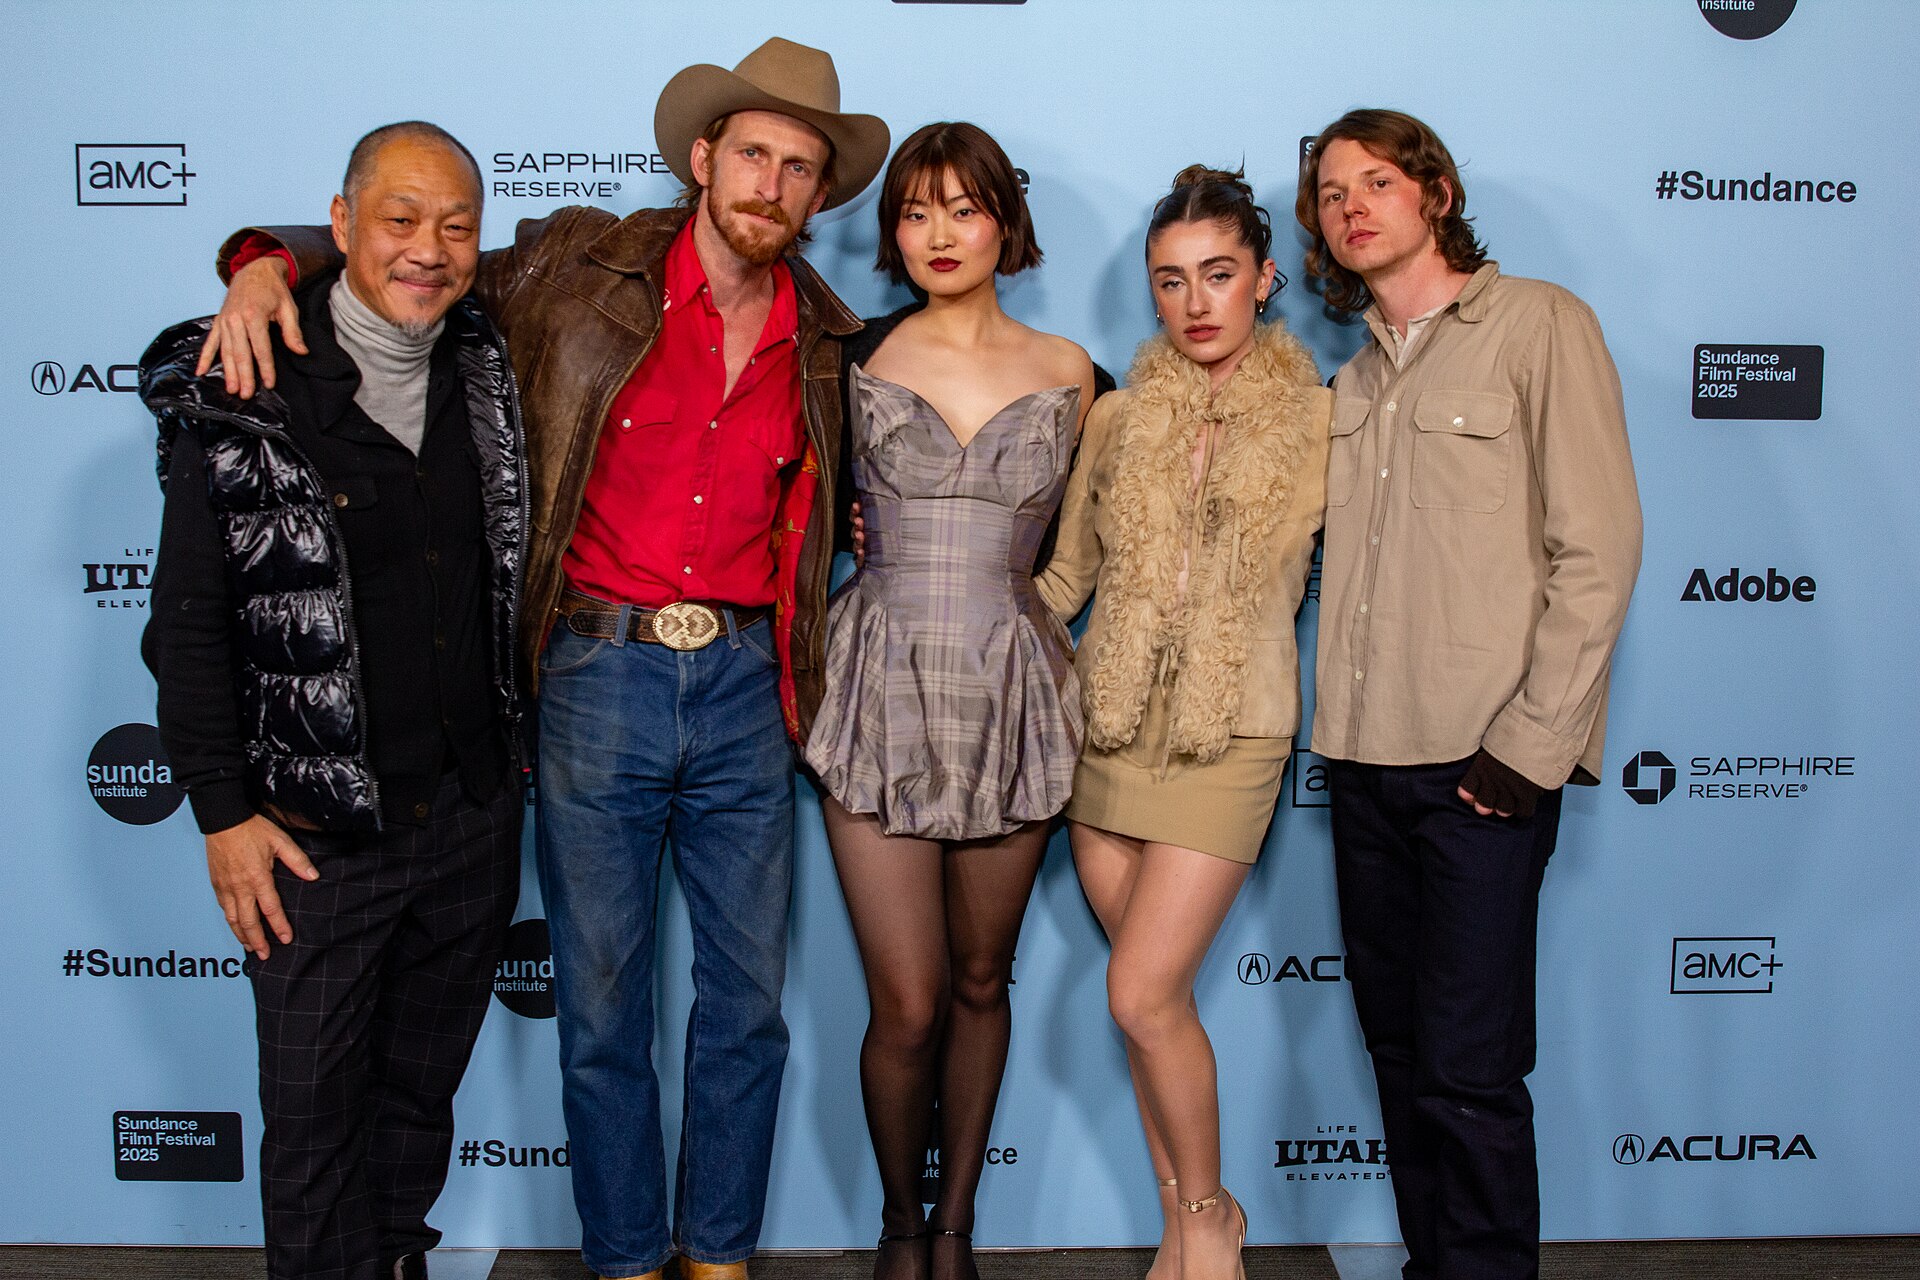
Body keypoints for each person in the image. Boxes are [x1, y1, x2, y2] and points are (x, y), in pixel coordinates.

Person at [193, 39, 889, 1280]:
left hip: (742, 689)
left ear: (819, 196)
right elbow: (407, 258)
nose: (772, 185)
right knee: (603, 1010)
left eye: (800, 168)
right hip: (593, 678)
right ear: (701, 159)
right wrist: (258, 267)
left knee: (748, 1013)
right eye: (753, 156)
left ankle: (717, 1257)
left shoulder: (831, 344)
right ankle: (625, 1258)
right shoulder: (572, 266)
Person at [140, 121, 526, 1280]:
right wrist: (221, 811)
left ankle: (400, 1262)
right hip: (313, 841)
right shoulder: (245, 386)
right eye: (399, 220)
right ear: (341, 226)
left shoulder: (488, 368)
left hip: (468, 822)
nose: (430, 249)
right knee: (310, 1128)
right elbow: (187, 625)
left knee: (416, 1102)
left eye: (457, 226)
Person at [1296, 109, 1642, 1280]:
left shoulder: (1540, 325)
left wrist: (1529, 748)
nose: (1355, 205)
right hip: (1359, 757)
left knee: (1470, 1064)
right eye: (1334, 192)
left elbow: (1597, 549)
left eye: (1379, 180)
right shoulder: (1347, 378)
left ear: (1435, 192)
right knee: (1398, 1052)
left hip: (1481, 770)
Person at [807, 121, 1095, 1280]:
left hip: (1013, 686)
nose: (938, 232)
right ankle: (897, 1225)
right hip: (875, 680)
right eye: (915, 210)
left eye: (963, 209)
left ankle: (959, 1226)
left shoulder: (1075, 369)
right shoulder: (849, 356)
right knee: (910, 1002)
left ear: (1004, 224)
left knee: (984, 979)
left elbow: (1105, 538)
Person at [1035, 167, 1331, 1280]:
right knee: (1151, 1008)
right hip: (1104, 731)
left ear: (1264, 277)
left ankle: (1211, 1217)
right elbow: (1067, 575)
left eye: (1219, 273)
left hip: (1232, 730)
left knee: (1140, 989)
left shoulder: (1324, 420)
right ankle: (1182, 1220)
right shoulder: (1115, 415)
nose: (1198, 300)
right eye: (1172, 280)